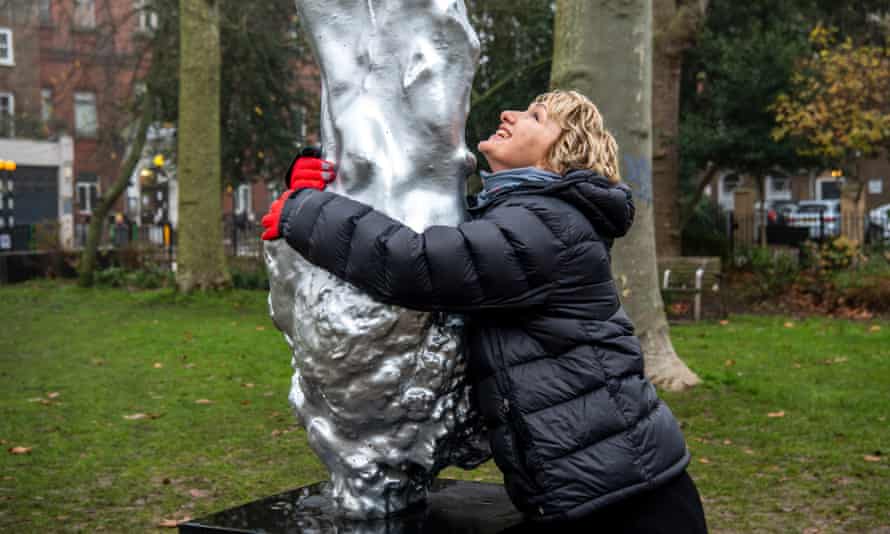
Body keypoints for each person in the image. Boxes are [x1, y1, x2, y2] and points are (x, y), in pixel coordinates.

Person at [262, 90, 708, 533]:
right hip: (599, 488)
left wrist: (307, 210)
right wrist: (331, 178)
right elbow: (424, 227)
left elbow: (420, 264)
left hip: (631, 503)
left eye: (535, 116)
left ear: (563, 151)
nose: (508, 114)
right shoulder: (523, 216)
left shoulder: (546, 226)